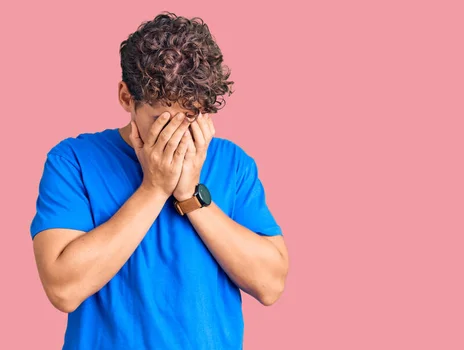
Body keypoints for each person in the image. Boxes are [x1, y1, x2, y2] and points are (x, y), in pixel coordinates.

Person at [29, 12, 289, 350]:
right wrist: (154, 188)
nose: (178, 136)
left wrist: (190, 195)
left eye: (191, 117)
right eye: (162, 120)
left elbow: (271, 285)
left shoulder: (233, 162)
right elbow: (63, 289)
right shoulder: (73, 160)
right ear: (126, 97)